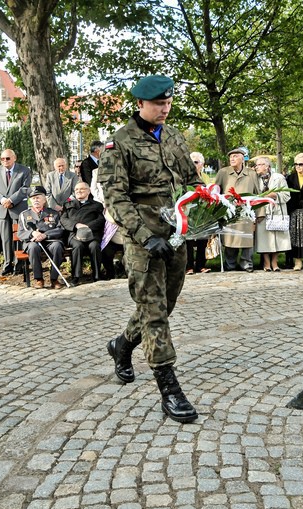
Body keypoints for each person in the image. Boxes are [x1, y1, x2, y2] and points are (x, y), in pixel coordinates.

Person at [98, 74, 200, 423]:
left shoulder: (173, 136)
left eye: (168, 103)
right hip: (143, 240)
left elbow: (192, 181)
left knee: (165, 304)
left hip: (175, 235)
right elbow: (115, 197)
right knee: (153, 310)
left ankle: (123, 345)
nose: (165, 109)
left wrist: (203, 212)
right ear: (140, 104)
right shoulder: (119, 144)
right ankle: (169, 387)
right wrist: (143, 235)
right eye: (159, 104)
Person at [215, 147, 260, 272]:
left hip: (247, 212)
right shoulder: (223, 172)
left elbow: (258, 194)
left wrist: (259, 215)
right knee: (230, 239)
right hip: (229, 212)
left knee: (247, 239)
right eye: (230, 157)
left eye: (235, 156)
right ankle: (230, 265)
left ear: (242, 158)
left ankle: (247, 264)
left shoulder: (251, 173)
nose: (232, 158)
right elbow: (216, 191)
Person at [0, 149, 31, 275]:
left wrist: (11, 200)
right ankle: (7, 264)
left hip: (18, 209)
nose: (5, 161)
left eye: (7, 158)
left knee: (19, 237)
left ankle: (19, 264)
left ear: (14, 158)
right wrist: (3, 200)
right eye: (2, 159)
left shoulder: (24, 170)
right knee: (6, 239)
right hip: (3, 210)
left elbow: (25, 188)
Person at [17, 186, 66, 289]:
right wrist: (32, 234)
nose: (36, 200)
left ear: (44, 199)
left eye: (38, 197)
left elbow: (60, 229)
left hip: (50, 240)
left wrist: (45, 235)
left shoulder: (53, 213)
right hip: (33, 242)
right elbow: (20, 233)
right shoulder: (24, 215)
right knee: (33, 248)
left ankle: (54, 279)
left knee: (57, 246)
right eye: (33, 198)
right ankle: (39, 279)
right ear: (30, 200)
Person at [61, 182, 105, 285]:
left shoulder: (96, 205)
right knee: (77, 246)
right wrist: (76, 225)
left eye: (82, 189)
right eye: (76, 190)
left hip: (92, 234)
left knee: (94, 246)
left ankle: (97, 275)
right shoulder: (68, 205)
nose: (79, 191)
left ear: (88, 191)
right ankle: (76, 277)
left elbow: (101, 219)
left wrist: (88, 227)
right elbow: (63, 219)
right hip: (74, 235)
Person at [254, 156, 290, 271]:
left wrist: (274, 195)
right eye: (256, 165)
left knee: (277, 238)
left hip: (276, 212)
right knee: (263, 238)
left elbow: (287, 195)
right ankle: (266, 262)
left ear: (267, 166)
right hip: (262, 212)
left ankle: (275, 262)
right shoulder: (255, 179)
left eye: (259, 165)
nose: (257, 167)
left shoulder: (278, 178)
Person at [185, 152, 212, 274]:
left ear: (202, 164)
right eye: (191, 162)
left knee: (203, 237)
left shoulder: (205, 177)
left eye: (196, 162)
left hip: (202, 212)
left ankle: (201, 265)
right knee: (188, 239)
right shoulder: (184, 177)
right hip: (187, 211)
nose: (193, 165)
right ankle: (189, 266)